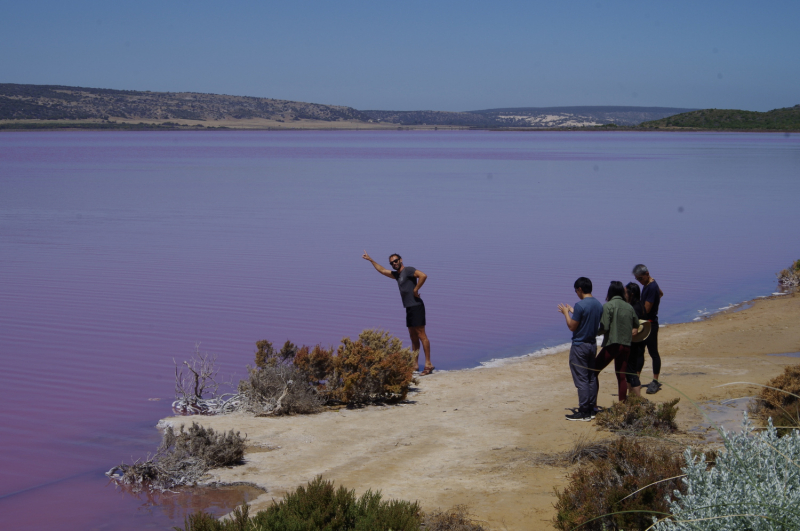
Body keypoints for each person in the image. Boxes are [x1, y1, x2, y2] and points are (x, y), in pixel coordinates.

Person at [362, 251, 433, 375]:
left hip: (416, 306)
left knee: (422, 335)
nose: (394, 263)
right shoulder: (397, 275)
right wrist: (371, 260)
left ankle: (428, 364)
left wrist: (416, 289)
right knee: (413, 336)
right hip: (409, 307)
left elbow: (423, 276)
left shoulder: (409, 270)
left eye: (395, 261)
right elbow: (383, 271)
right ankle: (415, 364)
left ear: (401, 260)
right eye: (391, 263)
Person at [557, 277, 603, 421]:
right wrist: (573, 311)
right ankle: (591, 407)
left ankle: (584, 411)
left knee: (581, 379)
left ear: (580, 289)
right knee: (591, 377)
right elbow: (586, 320)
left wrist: (566, 313)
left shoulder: (580, 305)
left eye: (576, 290)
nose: (576, 293)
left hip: (580, 346)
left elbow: (572, 326)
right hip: (592, 344)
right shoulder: (598, 304)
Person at [595, 281, 640, 404]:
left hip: (613, 345)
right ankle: (622, 405)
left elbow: (604, 327)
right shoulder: (629, 307)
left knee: (593, 371)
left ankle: (591, 404)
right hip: (626, 345)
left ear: (610, 292)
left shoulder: (608, 306)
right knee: (621, 377)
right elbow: (636, 324)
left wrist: (594, 333)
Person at [632, 264, 664, 394]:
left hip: (650, 324)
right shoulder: (650, 284)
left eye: (640, 278)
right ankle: (637, 378)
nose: (639, 281)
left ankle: (655, 381)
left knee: (653, 352)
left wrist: (633, 313)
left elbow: (646, 309)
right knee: (640, 352)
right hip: (645, 323)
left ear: (647, 274)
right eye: (637, 279)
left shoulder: (651, 287)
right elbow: (661, 294)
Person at [624, 282, 646, 397]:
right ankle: (632, 397)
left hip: (634, 343)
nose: (624, 294)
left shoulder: (634, 308)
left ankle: (638, 398)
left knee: (631, 372)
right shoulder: (640, 305)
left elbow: (634, 328)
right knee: (632, 372)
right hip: (640, 341)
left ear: (631, 294)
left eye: (625, 292)